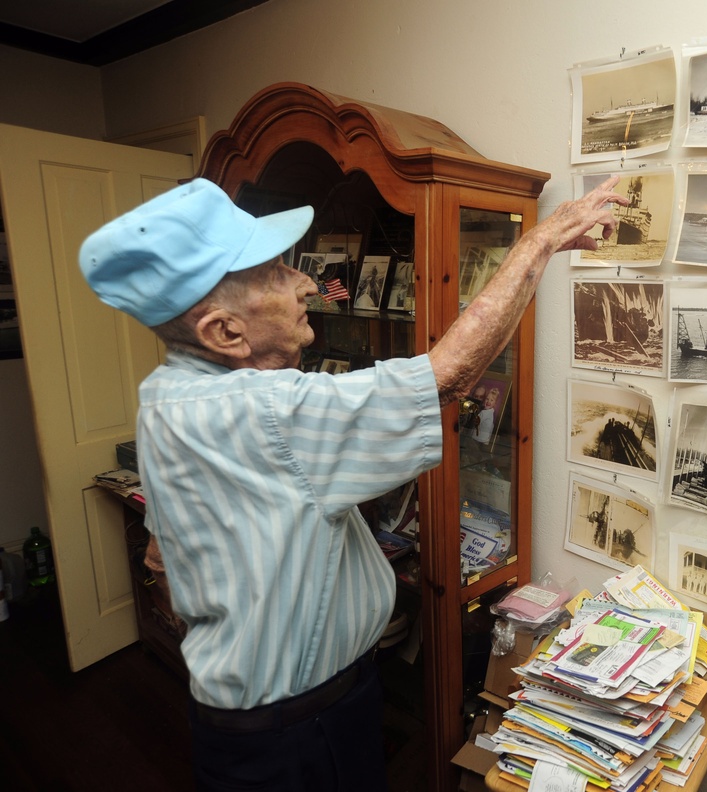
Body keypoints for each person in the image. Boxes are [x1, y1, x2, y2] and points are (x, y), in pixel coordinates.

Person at [78, 175, 628, 792]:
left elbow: (162, 554)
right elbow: (446, 378)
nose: (307, 281)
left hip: (246, 717)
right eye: (277, 272)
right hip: (300, 731)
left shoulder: (165, 394)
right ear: (224, 333)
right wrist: (542, 239)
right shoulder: (263, 412)